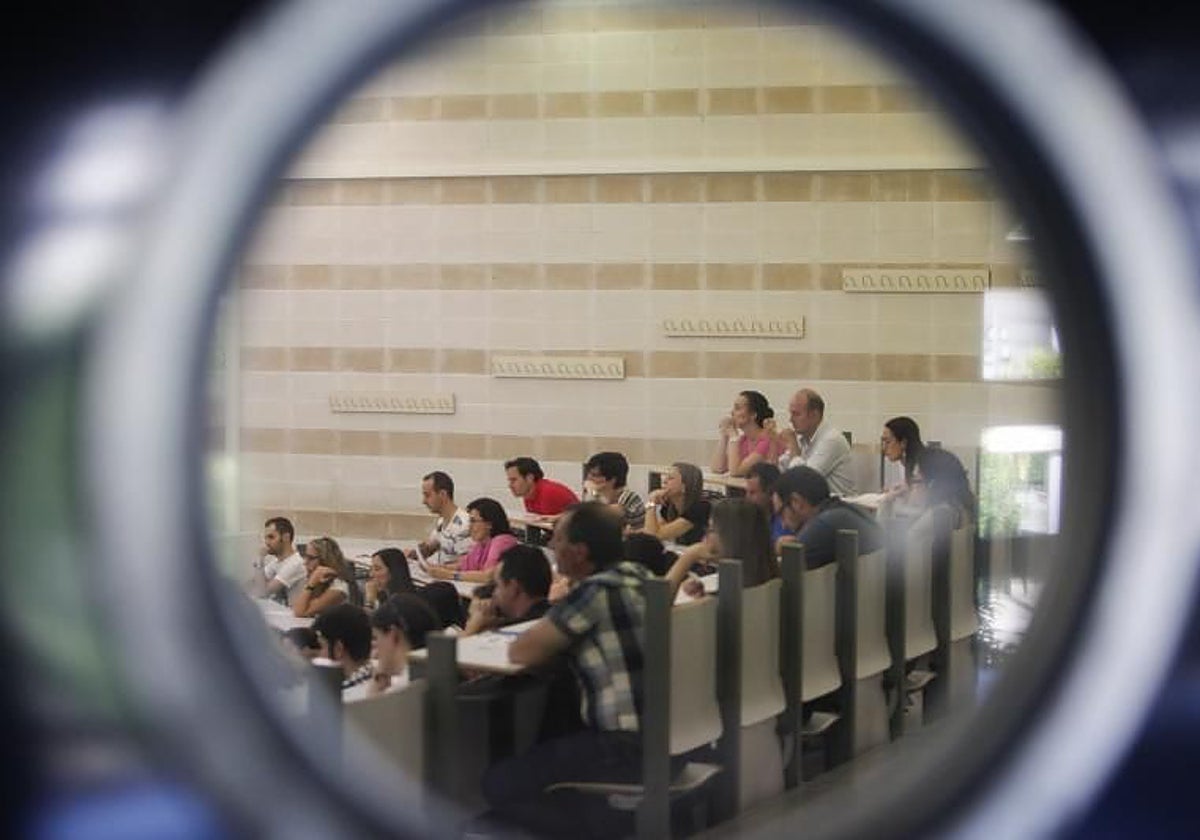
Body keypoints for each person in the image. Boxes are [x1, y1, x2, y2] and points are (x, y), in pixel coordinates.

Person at [481, 503, 654, 837]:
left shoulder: (594, 593)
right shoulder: (640, 576)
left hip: (621, 748)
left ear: (579, 552)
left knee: (499, 783)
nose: (552, 547)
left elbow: (522, 651)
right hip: (664, 735)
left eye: (557, 540)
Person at [665, 497, 780, 598]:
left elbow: (657, 610)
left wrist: (688, 557)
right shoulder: (773, 584)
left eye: (711, 530)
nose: (705, 537)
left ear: (731, 538)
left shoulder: (725, 600)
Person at [773, 466, 882, 568]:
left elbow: (784, 571)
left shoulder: (825, 523)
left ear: (797, 502)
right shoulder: (841, 511)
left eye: (781, 513)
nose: (783, 524)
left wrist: (776, 549)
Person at [776, 389, 856, 496]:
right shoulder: (802, 438)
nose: (790, 420)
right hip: (816, 506)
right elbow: (780, 470)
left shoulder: (831, 440)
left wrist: (792, 445)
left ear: (814, 415)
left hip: (839, 507)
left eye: (796, 414)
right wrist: (773, 442)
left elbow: (803, 481)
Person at [423, 497, 519, 585]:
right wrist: (436, 568)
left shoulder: (502, 541)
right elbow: (462, 566)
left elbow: (488, 576)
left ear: (489, 524)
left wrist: (449, 575)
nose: (469, 526)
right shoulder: (481, 544)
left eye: (473, 521)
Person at [462, 544, 553, 636]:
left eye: (497, 585)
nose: (494, 593)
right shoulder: (557, 618)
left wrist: (473, 628)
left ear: (514, 588)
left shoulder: (519, 634)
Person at [367, 593, 441, 697]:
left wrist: (375, 688)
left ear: (394, 635)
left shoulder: (399, 693)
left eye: (376, 638)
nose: (374, 652)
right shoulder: (441, 676)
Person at [405, 471, 472, 565]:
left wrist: (435, 569)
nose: (423, 501)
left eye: (427, 495)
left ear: (443, 494)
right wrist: (410, 554)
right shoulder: (441, 522)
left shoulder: (464, 524)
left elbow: (465, 564)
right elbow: (430, 546)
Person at [909, 447, 976, 540]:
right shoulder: (962, 509)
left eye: (915, 480)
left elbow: (900, 550)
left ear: (931, 484)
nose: (912, 487)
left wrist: (885, 502)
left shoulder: (936, 516)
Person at [311, 603, 374, 700]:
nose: (317, 655)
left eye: (321, 646)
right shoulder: (380, 680)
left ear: (338, 649)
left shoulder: (338, 701)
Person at [641, 461, 710, 545]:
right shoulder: (669, 506)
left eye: (670, 478)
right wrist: (632, 533)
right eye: (666, 477)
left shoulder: (700, 508)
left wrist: (651, 502)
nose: (664, 481)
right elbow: (653, 530)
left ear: (684, 486)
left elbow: (655, 535)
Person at [712, 390, 777, 477]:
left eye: (737, 408)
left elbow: (736, 472)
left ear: (753, 414)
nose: (732, 413)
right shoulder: (743, 439)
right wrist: (725, 435)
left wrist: (733, 436)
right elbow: (717, 468)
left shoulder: (767, 440)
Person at [292, 536, 362, 618]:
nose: (305, 562)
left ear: (325, 560)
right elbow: (296, 607)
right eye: (305, 556)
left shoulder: (338, 588)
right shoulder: (319, 580)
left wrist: (311, 583)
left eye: (311, 558)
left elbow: (300, 612)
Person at [247, 517, 306, 604]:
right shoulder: (276, 562)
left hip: (295, 615)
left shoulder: (295, 563)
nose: (267, 542)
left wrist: (260, 559)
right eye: (266, 538)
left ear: (286, 537)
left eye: (271, 537)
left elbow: (264, 593)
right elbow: (254, 584)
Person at [582, 451, 646, 530]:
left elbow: (601, 517)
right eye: (588, 474)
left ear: (612, 479)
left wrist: (593, 493)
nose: (589, 478)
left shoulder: (629, 498)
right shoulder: (600, 496)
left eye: (594, 475)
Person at [505, 456, 579, 516]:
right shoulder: (528, 494)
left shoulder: (549, 492)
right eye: (510, 481)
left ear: (530, 478)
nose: (510, 485)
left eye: (514, 480)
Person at [744, 461, 790, 547]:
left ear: (770, 493)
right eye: (746, 492)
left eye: (752, 493)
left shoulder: (785, 521)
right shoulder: (748, 517)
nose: (747, 498)